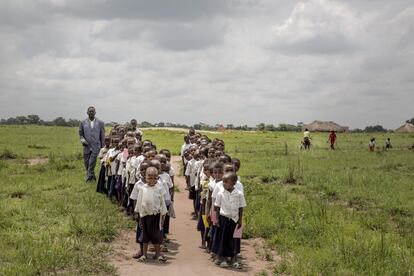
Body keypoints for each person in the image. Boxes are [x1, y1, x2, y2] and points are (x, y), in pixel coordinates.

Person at [135, 167, 168, 263]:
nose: (152, 180)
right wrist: (139, 216)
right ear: (145, 177)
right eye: (150, 178)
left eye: (155, 178)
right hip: (145, 216)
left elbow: (162, 204)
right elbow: (139, 202)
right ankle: (144, 255)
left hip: (156, 216)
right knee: (145, 237)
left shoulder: (159, 188)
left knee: (156, 237)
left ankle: (157, 254)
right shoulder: (142, 188)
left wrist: (162, 218)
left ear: (157, 178)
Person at [214, 172, 246, 269]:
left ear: (234, 183)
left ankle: (233, 258)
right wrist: (216, 219)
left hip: (234, 219)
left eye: (226, 182)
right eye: (223, 182)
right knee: (223, 238)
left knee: (234, 239)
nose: (223, 184)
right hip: (224, 218)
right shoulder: (220, 194)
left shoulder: (239, 194)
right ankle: (222, 258)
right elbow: (216, 207)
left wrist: (240, 220)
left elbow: (241, 208)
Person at [79, 106, 105, 182]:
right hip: (86, 146)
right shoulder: (83, 123)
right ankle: (92, 176)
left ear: (95, 112)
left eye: (92, 111)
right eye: (90, 111)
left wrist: (102, 147)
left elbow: (102, 135)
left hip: (96, 146)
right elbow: (81, 134)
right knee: (86, 163)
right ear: (87, 112)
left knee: (92, 162)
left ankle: (88, 177)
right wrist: (82, 140)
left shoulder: (100, 123)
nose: (91, 112)